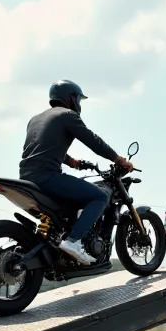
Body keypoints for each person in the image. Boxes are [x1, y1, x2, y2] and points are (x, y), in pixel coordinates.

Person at [19, 79, 134, 265]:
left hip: (26, 177)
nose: (79, 104)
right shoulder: (68, 115)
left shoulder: (36, 119)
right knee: (100, 197)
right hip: (47, 177)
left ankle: (61, 244)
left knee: (72, 203)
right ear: (71, 99)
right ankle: (73, 241)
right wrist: (117, 159)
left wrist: (71, 161)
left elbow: (42, 148)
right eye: (79, 99)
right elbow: (93, 141)